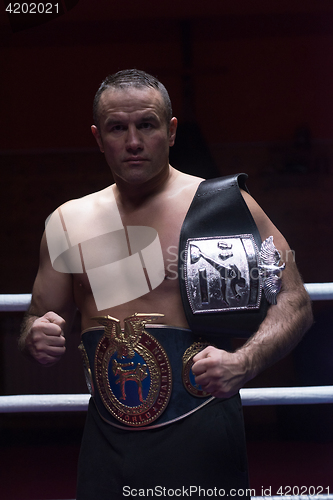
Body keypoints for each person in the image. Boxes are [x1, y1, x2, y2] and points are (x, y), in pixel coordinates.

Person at [19, 69, 313, 499]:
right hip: (106, 443)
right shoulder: (68, 223)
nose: (133, 141)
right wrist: (34, 335)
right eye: (118, 128)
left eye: (147, 125)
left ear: (171, 131)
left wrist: (244, 362)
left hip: (204, 432)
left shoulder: (226, 207)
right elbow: (35, 318)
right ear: (99, 137)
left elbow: (296, 302)